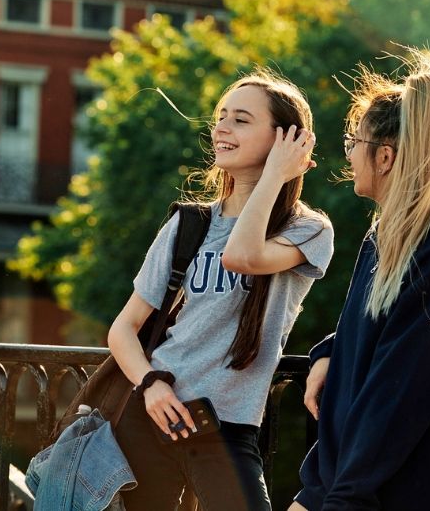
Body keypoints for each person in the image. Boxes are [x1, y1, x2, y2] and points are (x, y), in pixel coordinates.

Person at [107, 69, 334, 511]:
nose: (222, 128)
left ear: (284, 140)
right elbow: (123, 329)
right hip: (153, 414)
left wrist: (273, 176)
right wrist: (151, 385)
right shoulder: (188, 224)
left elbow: (241, 257)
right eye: (221, 117)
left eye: (241, 120)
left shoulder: (308, 230)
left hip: (227, 427)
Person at [291, 52, 430, 511]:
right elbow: (374, 336)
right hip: (344, 486)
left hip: (394, 497)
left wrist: (343, 497)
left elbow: (400, 397)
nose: (348, 153)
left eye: (353, 141)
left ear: (384, 156)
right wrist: (327, 353)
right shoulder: (384, 240)